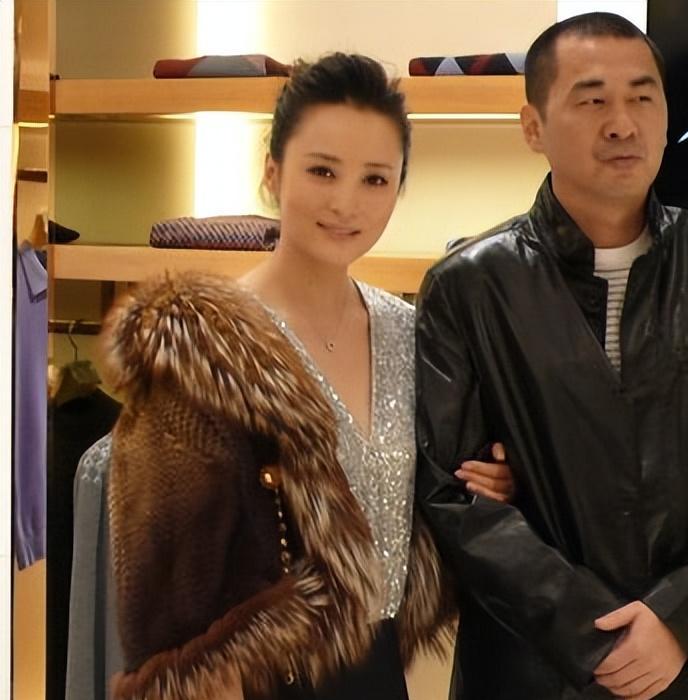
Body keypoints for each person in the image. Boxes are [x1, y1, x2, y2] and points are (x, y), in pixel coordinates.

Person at [98, 53, 514, 700]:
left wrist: (491, 485)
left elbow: (431, 497)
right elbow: (163, 597)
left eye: (375, 179)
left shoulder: (409, 334)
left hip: (379, 671)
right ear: (273, 173)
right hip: (253, 683)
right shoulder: (205, 352)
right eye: (322, 170)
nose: (346, 202)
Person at [414, 12, 688, 700]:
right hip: (536, 666)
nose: (622, 124)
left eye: (642, 97)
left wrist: (679, 621)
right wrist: (595, 637)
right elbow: (452, 494)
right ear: (533, 127)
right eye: (591, 100)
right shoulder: (468, 287)